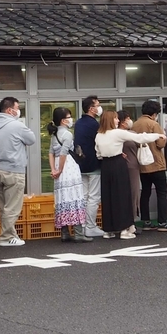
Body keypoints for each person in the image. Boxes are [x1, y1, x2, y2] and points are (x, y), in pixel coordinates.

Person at [95, 110, 159, 239]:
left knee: (108, 197)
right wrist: (158, 135)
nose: (118, 121)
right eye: (115, 118)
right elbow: (139, 138)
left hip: (106, 166)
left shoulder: (99, 135)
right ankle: (125, 229)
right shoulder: (118, 133)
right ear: (110, 120)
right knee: (123, 196)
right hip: (119, 165)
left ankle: (109, 230)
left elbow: (98, 154)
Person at [0, 97, 35, 247]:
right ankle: (6, 237)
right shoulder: (17, 125)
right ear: (10, 110)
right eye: (17, 107)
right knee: (13, 206)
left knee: (3, 206)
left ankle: (10, 235)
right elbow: (32, 139)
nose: (18, 110)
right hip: (14, 170)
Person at [47, 106, 89, 243]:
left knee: (62, 198)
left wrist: (54, 169)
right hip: (69, 167)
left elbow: (51, 153)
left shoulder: (54, 134)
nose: (71, 119)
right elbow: (64, 153)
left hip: (59, 167)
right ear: (63, 120)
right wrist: (59, 170)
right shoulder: (68, 134)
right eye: (69, 117)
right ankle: (78, 233)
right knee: (75, 197)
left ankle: (64, 232)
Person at [133, 100, 167, 232]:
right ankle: (162, 222)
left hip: (142, 165)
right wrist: (165, 139)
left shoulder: (135, 124)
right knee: (162, 193)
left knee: (145, 192)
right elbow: (160, 144)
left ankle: (146, 221)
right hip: (156, 164)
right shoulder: (153, 124)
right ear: (155, 113)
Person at [74, 95, 103, 240]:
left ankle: (83, 226)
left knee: (84, 196)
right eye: (97, 105)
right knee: (94, 197)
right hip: (94, 164)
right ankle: (91, 226)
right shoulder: (94, 125)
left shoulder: (78, 123)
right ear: (91, 109)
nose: (99, 107)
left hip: (80, 165)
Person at [118, 110, 144, 228]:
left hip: (120, 167)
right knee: (133, 193)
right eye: (127, 118)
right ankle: (131, 221)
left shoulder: (113, 134)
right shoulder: (131, 134)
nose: (129, 121)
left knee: (123, 194)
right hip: (132, 167)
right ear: (122, 122)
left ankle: (124, 221)